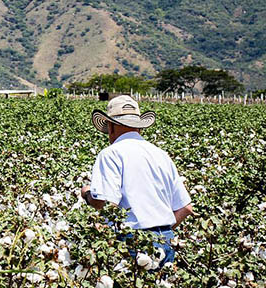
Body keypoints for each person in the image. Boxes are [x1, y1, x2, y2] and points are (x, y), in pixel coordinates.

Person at [79, 95, 193, 269]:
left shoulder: (111, 154)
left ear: (110, 127)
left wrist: (87, 194)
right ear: (139, 128)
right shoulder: (161, 155)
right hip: (167, 241)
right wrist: (161, 235)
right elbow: (186, 208)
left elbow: (106, 203)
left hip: (132, 243)